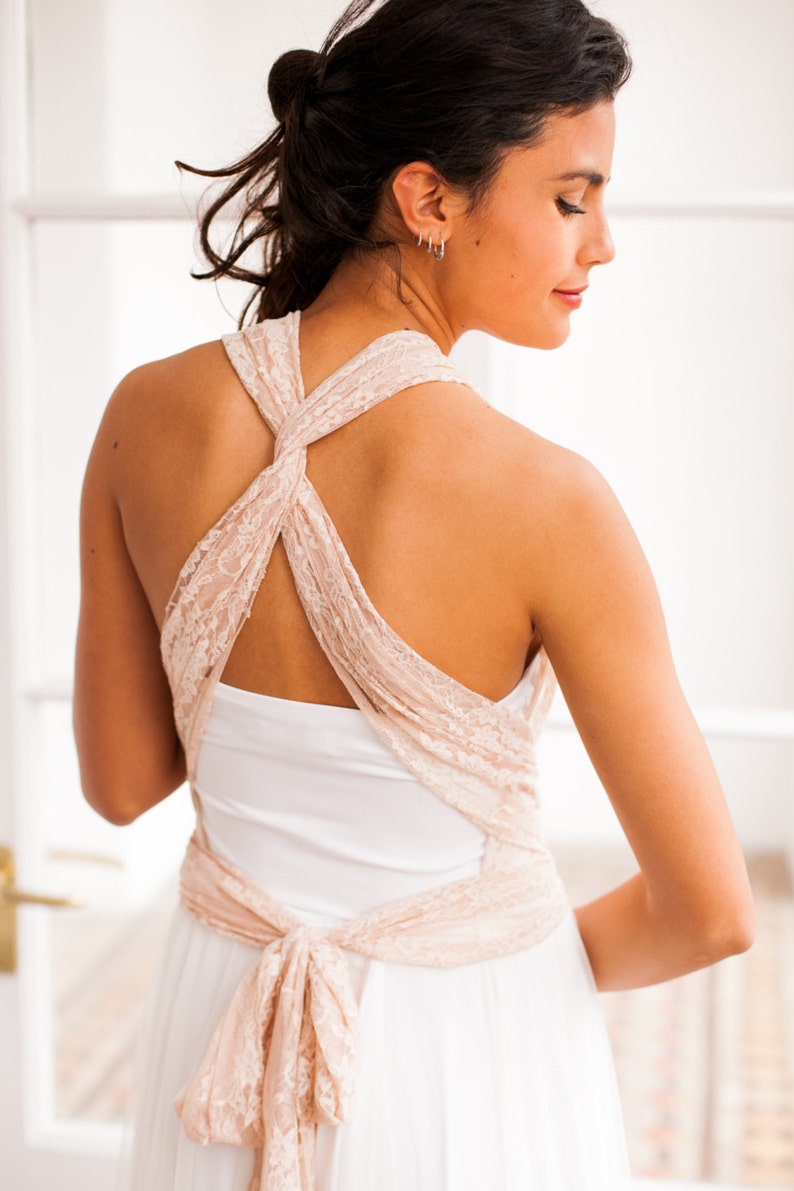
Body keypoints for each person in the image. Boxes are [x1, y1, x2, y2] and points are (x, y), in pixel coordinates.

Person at [73, 1, 755, 1188]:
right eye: (568, 196)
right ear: (428, 198)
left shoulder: (144, 416)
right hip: (464, 1050)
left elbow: (123, 781)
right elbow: (709, 911)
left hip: (218, 1016)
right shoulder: (549, 502)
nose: (599, 244)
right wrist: (474, 964)